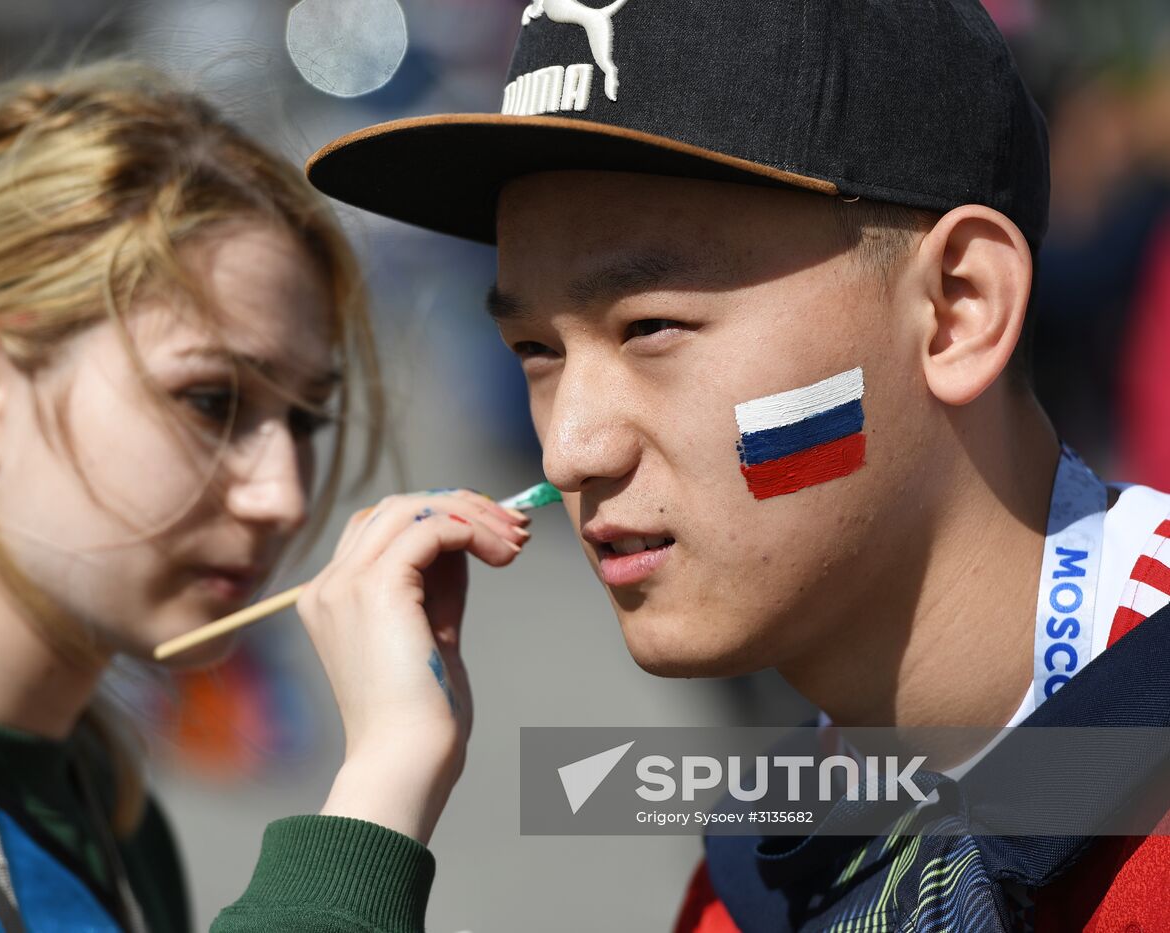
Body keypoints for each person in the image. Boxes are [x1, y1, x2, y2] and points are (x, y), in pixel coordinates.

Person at [217, 0, 1170, 930]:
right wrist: (378, 788)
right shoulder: (763, 874)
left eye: (652, 326)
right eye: (536, 351)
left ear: (959, 307)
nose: (570, 449)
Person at [0, 60, 532, 931]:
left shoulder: (104, 805)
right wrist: (383, 779)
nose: (280, 495)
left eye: (306, 419)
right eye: (212, 401)